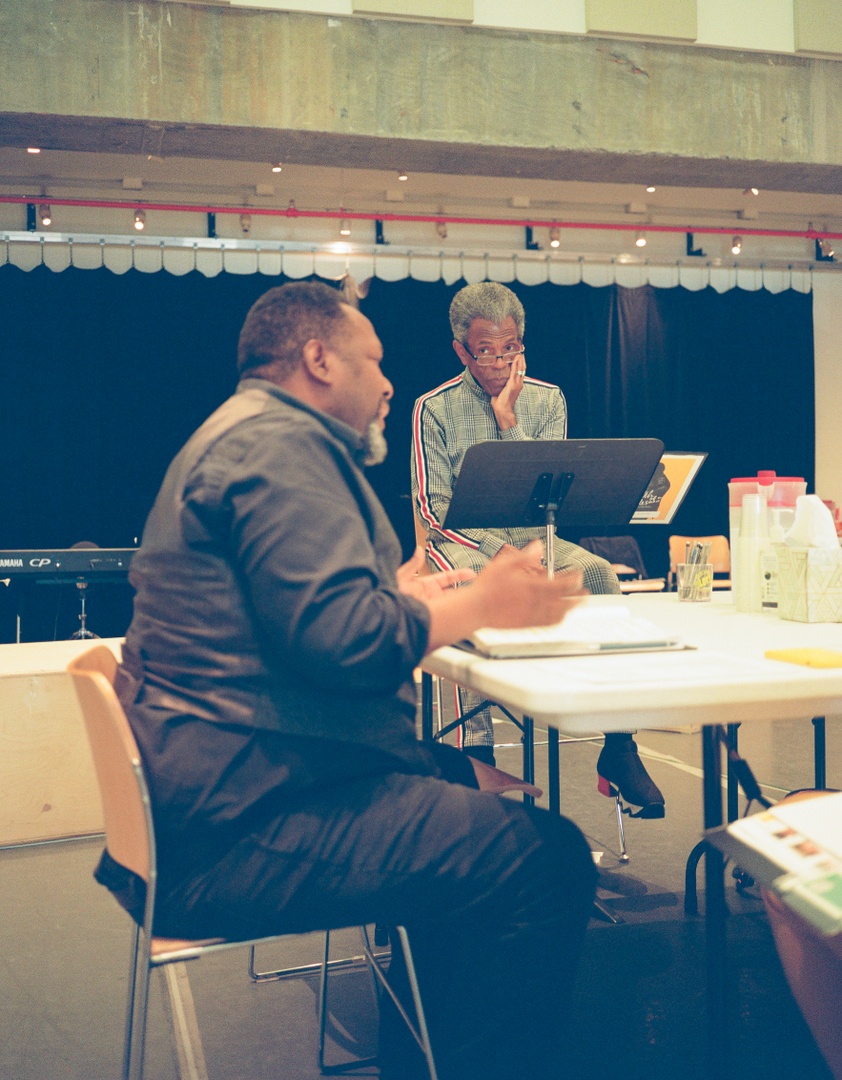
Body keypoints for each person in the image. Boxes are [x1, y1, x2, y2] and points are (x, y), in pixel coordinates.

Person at [99, 281, 598, 1080]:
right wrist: (480, 601)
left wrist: (397, 595)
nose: (389, 382)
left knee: (471, 780)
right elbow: (344, 644)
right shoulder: (278, 451)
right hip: (238, 826)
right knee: (546, 860)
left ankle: (423, 1055)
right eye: (374, 360)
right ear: (318, 359)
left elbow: (294, 616)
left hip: (221, 785)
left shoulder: (249, 437)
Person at [411, 281, 665, 817]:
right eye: (485, 350)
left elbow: (549, 495)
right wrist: (498, 556)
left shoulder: (548, 399)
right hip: (461, 543)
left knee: (596, 573)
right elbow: (434, 511)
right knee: (470, 585)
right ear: (462, 350)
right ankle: (474, 753)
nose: (500, 362)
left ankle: (619, 745)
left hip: (533, 538)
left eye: (511, 348)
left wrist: (510, 420)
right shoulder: (431, 408)